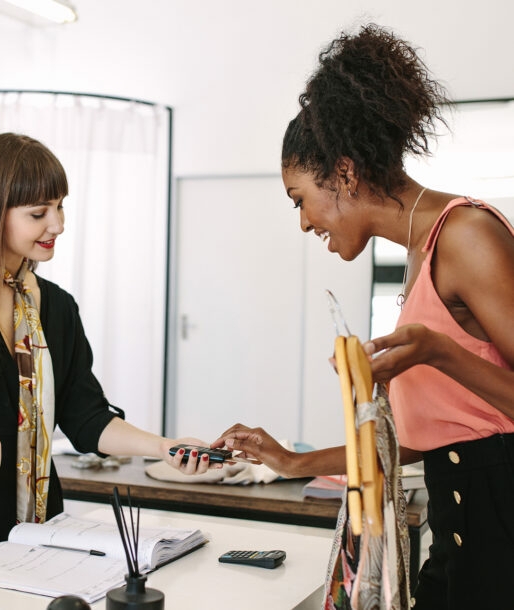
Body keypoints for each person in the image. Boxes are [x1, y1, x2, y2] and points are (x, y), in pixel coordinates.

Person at [212, 24, 514, 609]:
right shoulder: (421, 255)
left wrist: (437, 351)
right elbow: (438, 440)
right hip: (462, 526)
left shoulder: (467, 235)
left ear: (345, 173)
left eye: (300, 199)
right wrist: (290, 461)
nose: (303, 222)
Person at [0, 132, 212, 561]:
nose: (58, 224)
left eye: (60, 206)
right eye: (38, 213)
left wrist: (164, 447)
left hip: (40, 535)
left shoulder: (57, 307)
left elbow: (86, 418)